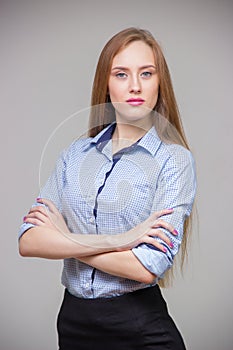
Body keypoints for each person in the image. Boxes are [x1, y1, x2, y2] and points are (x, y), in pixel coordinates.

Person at [19, 27, 196, 349]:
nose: (135, 86)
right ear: (106, 83)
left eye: (146, 73)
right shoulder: (74, 155)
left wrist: (66, 238)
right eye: (121, 74)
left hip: (141, 328)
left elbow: (145, 267)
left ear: (160, 82)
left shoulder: (175, 161)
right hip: (73, 324)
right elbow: (29, 240)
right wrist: (120, 241)